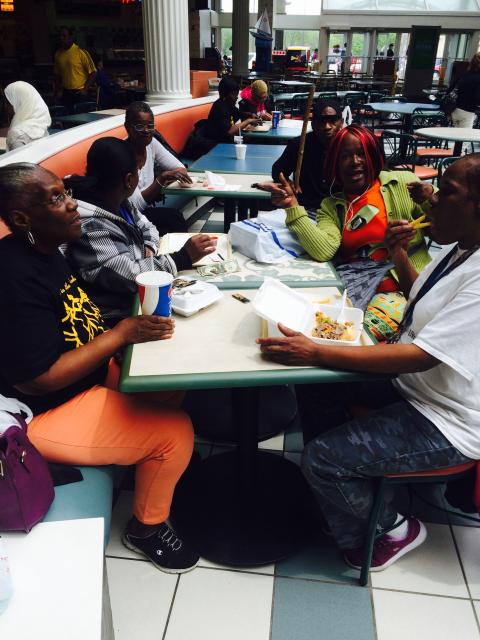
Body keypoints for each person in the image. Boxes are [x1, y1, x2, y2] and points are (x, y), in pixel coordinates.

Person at [257, 153, 480, 574]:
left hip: (447, 419)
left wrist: (317, 350)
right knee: (316, 384)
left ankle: (390, 528)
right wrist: (399, 254)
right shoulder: (462, 250)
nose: (431, 202)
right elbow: (424, 303)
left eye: (446, 192)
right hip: (416, 388)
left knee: (320, 458)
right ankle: (342, 488)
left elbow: (420, 356)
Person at [0, 162, 199, 574]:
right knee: (175, 432)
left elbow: (75, 322)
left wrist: (121, 333)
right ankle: (146, 528)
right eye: (57, 198)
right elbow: (39, 380)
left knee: (173, 381)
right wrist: (122, 334)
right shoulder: (12, 277)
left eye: (65, 192)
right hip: (41, 413)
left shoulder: (46, 251)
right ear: (21, 219)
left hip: (85, 380)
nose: (73, 205)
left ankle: (150, 467)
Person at [269, 124, 433, 341]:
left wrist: (429, 199)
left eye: (362, 154)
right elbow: (324, 250)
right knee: (305, 320)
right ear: (335, 163)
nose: (355, 162)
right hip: (355, 288)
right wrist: (292, 206)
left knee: (344, 336)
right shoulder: (332, 206)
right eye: (346, 156)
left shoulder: (401, 183)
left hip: (402, 291)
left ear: (373, 156)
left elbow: (446, 226)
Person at [64, 137, 215, 326]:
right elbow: (129, 275)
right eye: (138, 172)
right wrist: (182, 258)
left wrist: (149, 248)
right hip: (115, 316)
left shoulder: (117, 200)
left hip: (135, 297)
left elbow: (147, 225)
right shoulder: (90, 225)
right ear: (129, 179)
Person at [124, 101, 191, 235]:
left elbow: (180, 167)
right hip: (128, 216)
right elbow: (136, 205)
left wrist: (168, 177)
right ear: (128, 128)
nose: (146, 131)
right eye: (139, 126)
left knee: (172, 220)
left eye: (150, 126)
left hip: (145, 212)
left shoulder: (151, 144)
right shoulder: (122, 154)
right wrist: (161, 180)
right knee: (173, 219)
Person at [266, 99, 344, 212]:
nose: (327, 126)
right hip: (306, 208)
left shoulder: (348, 147)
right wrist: (289, 183)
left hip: (339, 209)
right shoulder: (298, 145)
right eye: (321, 121)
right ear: (312, 123)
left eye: (333, 121)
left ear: (341, 122)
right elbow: (277, 172)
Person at [203, 77, 261, 143]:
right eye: (233, 94)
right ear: (224, 94)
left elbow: (239, 113)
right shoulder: (220, 108)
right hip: (217, 145)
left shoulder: (228, 104)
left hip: (225, 141)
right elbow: (229, 132)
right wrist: (248, 121)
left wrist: (251, 115)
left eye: (236, 94)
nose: (236, 97)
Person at [54, 26, 97, 113]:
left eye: (64, 36)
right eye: (60, 36)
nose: (61, 38)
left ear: (71, 37)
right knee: (68, 120)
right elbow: (57, 75)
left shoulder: (80, 52)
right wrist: (57, 91)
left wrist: (85, 89)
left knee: (81, 121)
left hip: (79, 92)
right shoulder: (58, 54)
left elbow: (93, 72)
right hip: (66, 92)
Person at [4, 81, 51, 151]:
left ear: (19, 103)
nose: (5, 106)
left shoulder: (16, 135)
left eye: (8, 102)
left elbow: (18, 161)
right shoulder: (41, 124)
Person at [450, 52, 480, 129]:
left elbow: (450, 89)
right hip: (467, 112)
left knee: (456, 135)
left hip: (453, 109)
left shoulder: (463, 74)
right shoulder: (478, 78)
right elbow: (477, 98)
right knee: (463, 136)